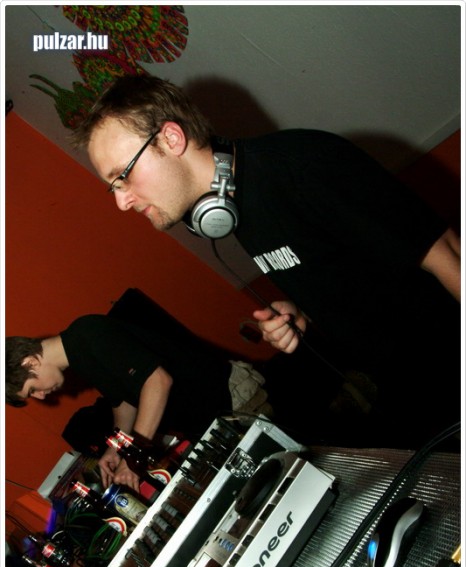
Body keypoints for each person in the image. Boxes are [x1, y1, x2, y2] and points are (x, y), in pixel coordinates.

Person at [71, 74, 461, 445]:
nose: (122, 202)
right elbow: (349, 269)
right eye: (113, 188)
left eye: (123, 176)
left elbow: (445, 252)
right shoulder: (232, 210)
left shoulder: (301, 164)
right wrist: (301, 314)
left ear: (171, 138)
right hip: (406, 390)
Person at [5, 314, 272, 490]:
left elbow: (157, 381)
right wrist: (116, 447)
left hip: (230, 397)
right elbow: (123, 402)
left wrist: (134, 456)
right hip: (210, 415)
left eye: (32, 390)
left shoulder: (89, 333)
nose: (41, 397)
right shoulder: (78, 357)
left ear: (30, 363)